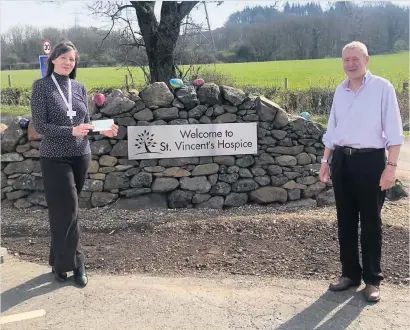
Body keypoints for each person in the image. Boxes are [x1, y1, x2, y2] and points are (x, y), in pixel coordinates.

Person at [320, 41, 404, 302]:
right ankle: (350, 275)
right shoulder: (340, 91)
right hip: (342, 161)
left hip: (371, 162)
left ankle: (372, 280)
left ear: (367, 60)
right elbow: (333, 128)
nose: (350, 64)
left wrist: (391, 167)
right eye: (346, 60)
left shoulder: (382, 88)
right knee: (345, 220)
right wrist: (325, 160)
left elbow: (394, 131)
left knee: (370, 222)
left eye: (355, 59)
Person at [31, 40, 118, 287]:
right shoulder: (41, 87)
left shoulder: (79, 87)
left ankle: (58, 261)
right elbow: (41, 126)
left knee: (65, 213)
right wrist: (71, 131)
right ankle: (78, 264)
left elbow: (86, 124)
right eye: (64, 58)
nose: (69, 63)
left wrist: (103, 131)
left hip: (81, 155)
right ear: (53, 60)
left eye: (73, 60)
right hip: (54, 157)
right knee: (68, 210)